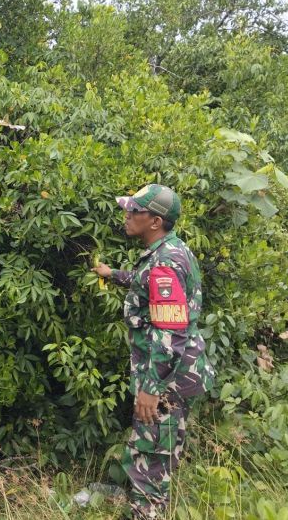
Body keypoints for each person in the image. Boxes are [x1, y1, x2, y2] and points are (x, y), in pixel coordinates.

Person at [92, 184, 215, 519]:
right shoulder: (171, 252)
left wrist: (150, 389)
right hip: (173, 375)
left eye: (135, 211)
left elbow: (170, 333)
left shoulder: (165, 263)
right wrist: (113, 274)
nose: (127, 216)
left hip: (166, 381)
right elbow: (146, 281)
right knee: (155, 451)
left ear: (155, 221)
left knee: (150, 458)